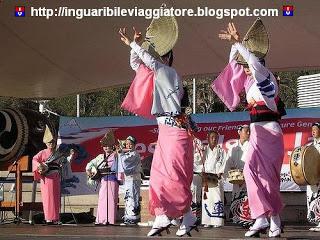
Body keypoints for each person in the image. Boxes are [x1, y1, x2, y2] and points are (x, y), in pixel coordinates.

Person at [119, 16, 197, 237]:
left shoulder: (168, 73)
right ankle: (183, 216)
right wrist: (136, 44)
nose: (156, 58)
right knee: (159, 175)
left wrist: (134, 44)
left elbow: (150, 62)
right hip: (166, 131)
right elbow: (136, 64)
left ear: (167, 58)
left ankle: (171, 216)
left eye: (161, 55)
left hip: (175, 129)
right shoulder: (157, 76)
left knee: (171, 176)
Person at [216, 19, 285, 237]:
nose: (244, 69)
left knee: (269, 179)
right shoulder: (249, 83)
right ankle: (260, 217)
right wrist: (234, 46)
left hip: (271, 132)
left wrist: (240, 44)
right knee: (248, 171)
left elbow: (252, 64)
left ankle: (274, 219)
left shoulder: (267, 77)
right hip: (256, 132)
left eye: (247, 66)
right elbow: (233, 66)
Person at [86, 131, 120, 225]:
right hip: (104, 179)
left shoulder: (117, 155)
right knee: (102, 199)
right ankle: (101, 219)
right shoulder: (100, 157)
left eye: (108, 146)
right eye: (105, 146)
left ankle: (110, 220)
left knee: (112, 199)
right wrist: (89, 171)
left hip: (113, 179)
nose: (106, 147)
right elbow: (90, 164)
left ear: (112, 146)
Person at [225, 125, 254, 227]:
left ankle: (247, 220)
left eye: (249, 131)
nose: (248, 133)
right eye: (246, 131)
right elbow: (228, 163)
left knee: (247, 197)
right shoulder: (233, 147)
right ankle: (236, 218)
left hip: (248, 176)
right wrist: (231, 171)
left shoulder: (251, 145)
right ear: (239, 132)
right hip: (236, 177)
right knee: (236, 196)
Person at [32, 125, 60, 224]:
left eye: (52, 142)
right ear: (46, 143)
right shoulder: (42, 152)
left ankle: (55, 218)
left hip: (55, 177)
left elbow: (64, 163)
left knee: (56, 197)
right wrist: (40, 166)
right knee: (48, 197)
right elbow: (34, 159)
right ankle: (48, 218)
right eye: (49, 142)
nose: (51, 144)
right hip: (47, 178)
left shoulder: (58, 153)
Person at [201, 131, 226, 228]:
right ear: (208, 138)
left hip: (216, 178)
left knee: (217, 198)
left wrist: (220, 172)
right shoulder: (204, 150)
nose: (214, 139)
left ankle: (217, 221)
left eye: (215, 138)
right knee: (206, 199)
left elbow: (224, 163)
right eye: (212, 137)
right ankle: (207, 221)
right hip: (206, 178)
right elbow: (199, 162)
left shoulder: (221, 151)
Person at [118, 135, 142, 225]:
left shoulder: (134, 154)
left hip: (133, 178)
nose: (128, 145)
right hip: (128, 179)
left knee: (132, 197)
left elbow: (125, 162)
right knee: (128, 197)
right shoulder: (128, 153)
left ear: (134, 145)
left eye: (130, 144)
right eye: (127, 144)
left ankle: (133, 218)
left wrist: (121, 153)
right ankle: (128, 217)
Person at [307, 122, 320, 231]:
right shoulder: (310, 145)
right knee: (312, 197)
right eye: (312, 129)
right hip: (312, 178)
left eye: (315, 129)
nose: (313, 131)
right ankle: (318, 222)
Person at [191, 138, 204, 220]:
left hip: (195, 172)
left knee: (196, 194)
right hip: (183, 172)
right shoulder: (179, 138)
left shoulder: (197, 141)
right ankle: (183, 216)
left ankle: (195, 217)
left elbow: (201, 156)